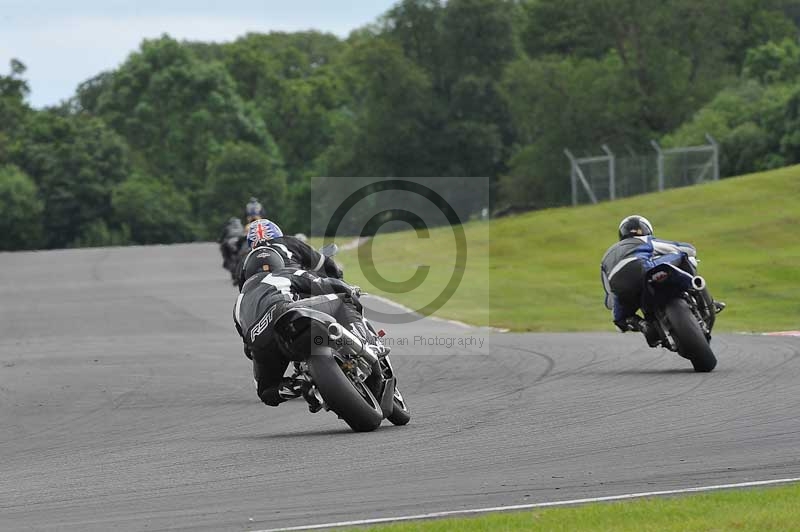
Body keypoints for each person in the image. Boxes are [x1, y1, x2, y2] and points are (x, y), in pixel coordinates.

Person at [233, 248, 380, 411]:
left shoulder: (238, 304)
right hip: (286, 313)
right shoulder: (280, 274)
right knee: (343, 300)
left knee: (266, 391)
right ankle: (366, 341)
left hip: (261, 343)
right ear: (278, 264)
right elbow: (322, 284)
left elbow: (248, 349)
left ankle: (300, 386)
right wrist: (349, 290)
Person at [600, 215, 725, 346]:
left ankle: (643, 325)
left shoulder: (606, 256)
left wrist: (618, 309)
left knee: (620, 321)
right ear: (646, 229)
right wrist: (689, 254)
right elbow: (687, 249)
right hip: (643, 270)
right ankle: (696, 290)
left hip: (620, 287)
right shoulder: (644, 240)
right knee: (682, 255)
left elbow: (609, 297)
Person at [237, 218, 343, 290]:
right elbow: (323, 262)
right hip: (296, 285)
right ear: (278, 234)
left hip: (260, 301)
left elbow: (243, 291)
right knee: (343, 297)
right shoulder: (289, 242)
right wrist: (339, 278)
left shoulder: (246, 259)